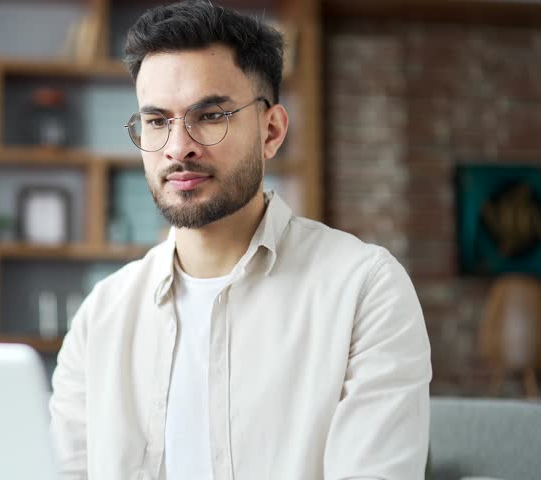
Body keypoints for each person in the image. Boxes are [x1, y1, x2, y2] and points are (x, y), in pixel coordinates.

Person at [49, 1, 432, 479]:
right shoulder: (101, 317)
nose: (177, 146)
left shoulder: (364, 291)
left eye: (209, 115)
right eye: (157, 120)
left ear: (270, 131)